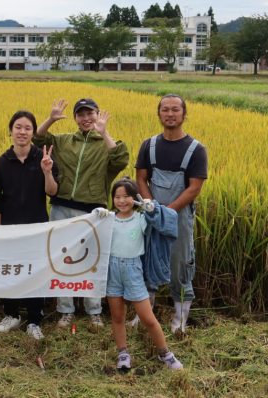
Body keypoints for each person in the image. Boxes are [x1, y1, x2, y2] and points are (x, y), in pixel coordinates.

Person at [33, 98, 129, 328]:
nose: (86, 118)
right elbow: (38, 139)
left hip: (94, 213)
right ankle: (65, 310)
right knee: (61, 261)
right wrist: (51, 119)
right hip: (61, 207)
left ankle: (94, 311)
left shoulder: (107, 145)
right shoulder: (65, 141)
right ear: (75, 118)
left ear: (97, 115)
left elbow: (121, 160)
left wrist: (104, 134)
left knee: (93, 261)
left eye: (90, 114)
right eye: (81, 114)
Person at [135, 94, 207, 334]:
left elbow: (194, 187)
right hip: (151, 213)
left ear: (184, 114)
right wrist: (151, 206)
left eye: (175, 110)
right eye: (165, 110)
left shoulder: (196, 149)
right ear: (159, 114)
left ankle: (180, 321)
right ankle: (144, 317)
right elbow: (141, 178)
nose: (170, 114)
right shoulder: (149, 145)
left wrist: (167, 212)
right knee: (147, 261)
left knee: (180, 264)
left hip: (179, 217)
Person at [0, 111, 58, 340]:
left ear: (33, 132)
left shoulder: (43, 158)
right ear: (11, 131)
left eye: (27, 128)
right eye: (18, 127)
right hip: (9, 229)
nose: (22, 132)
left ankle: (34, 320)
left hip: (37, 227)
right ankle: (11, 314)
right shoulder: (0, 163)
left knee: (35, 273)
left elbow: (52, 192)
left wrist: (47, 172)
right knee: (10, 271)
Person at [104, 178, 183, 371]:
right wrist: (96, 215)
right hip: (112, 270)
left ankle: (165, 353)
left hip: (133, 270)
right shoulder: (108, 219)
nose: (122, 201)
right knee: (117, 316)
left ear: (135, 198)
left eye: (126, 197)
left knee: (148, 318)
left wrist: (154, 209)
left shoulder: (141, 219)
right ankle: (123, 353)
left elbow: (169, 221)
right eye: (117, 197)